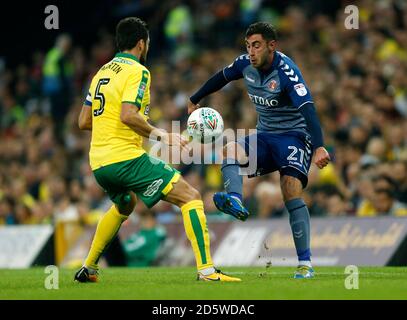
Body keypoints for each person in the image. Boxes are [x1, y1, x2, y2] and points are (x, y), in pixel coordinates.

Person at [74, 17, 240, 282]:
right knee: (191, 196)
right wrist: (161, 135)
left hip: (99, 164)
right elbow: (128, 115)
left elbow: (83, 121)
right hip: (125, 159)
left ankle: (89, 267)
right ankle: (207, 270)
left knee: (125, 204)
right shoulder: (138, 71)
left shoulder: (101, 72)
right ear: (142, 43)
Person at [187, 22, 330, 279]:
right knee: (229, 150)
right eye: (248, 46)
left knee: (289, 188)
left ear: (271, 46)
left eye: (256, 46)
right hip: (264, 135)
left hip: (294, 137)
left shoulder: (287, 72)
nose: (251, 52)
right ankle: (236, 201)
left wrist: (319, 146)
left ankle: (305, 264)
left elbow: (308, 109)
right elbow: (221, 77)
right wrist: (195, 98)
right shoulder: (245, 65)